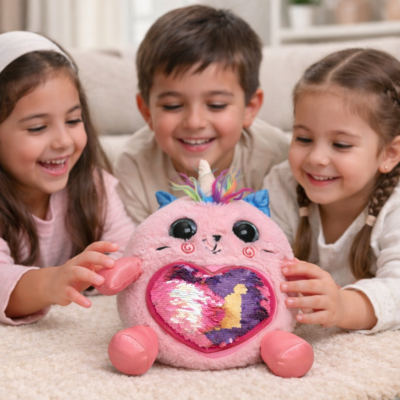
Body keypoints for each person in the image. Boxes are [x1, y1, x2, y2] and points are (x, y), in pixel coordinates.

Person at [0, 31, 135, 325]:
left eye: (73, 120)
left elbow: (129, 249)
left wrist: (101, 269)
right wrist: (52, 283)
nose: (63, 141)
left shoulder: (95, 186)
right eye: (37, 127)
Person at [263, 48, 400, 333]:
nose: (316, 158)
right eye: (303, 138)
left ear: (390, 153)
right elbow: (260, 260)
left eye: (341, 144)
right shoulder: (282, 184)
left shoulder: (395, 205)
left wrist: (344, 306)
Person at [115, 5, 289, 225]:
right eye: (172, 106)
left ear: (250, 108)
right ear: (147, 111)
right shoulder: (134, 166)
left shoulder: (275, 157)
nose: (194, 122)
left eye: (216, 105)